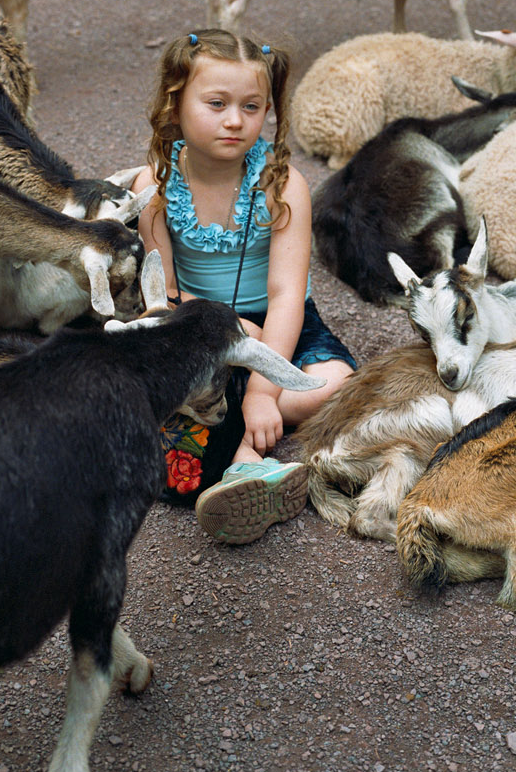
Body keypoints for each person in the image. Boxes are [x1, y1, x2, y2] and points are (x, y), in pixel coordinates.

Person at [131, 29, 355, 544]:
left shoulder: (282, 185)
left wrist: (259, 388)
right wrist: (228, 329)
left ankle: (221, 432)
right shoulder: (156, 186)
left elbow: (284, 297)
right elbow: (160, 295)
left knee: (337, 381)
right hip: (196, 324)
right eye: (216, 103)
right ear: (176, 104)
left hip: (279, 325)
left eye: (252, 106)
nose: (235, 120)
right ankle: (247, 462)